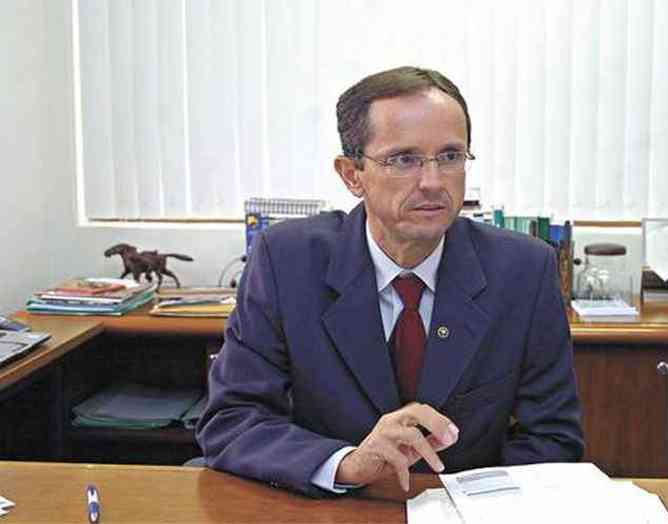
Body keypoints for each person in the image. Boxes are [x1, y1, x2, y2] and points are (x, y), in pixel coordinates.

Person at [196, 66, 583, 498]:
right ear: (352, 174)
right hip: (331, 509)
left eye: (451, 156)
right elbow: (232, 420)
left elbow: (553, 438)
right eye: (404, 159)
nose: (433, 182)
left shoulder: (523, 270)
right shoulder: (285, 262)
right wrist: (347, 465)